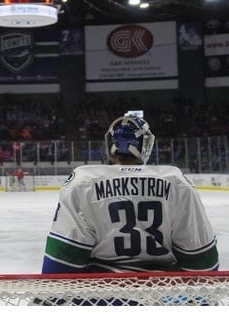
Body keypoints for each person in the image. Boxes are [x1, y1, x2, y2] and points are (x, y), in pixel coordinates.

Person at [41, 114, 219, 274]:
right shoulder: (177, 182)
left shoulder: (82, 182)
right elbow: (203, 265)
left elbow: (59, 267)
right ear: (146, 145)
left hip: (102, 300)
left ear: (110, 145)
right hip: (161, 296)